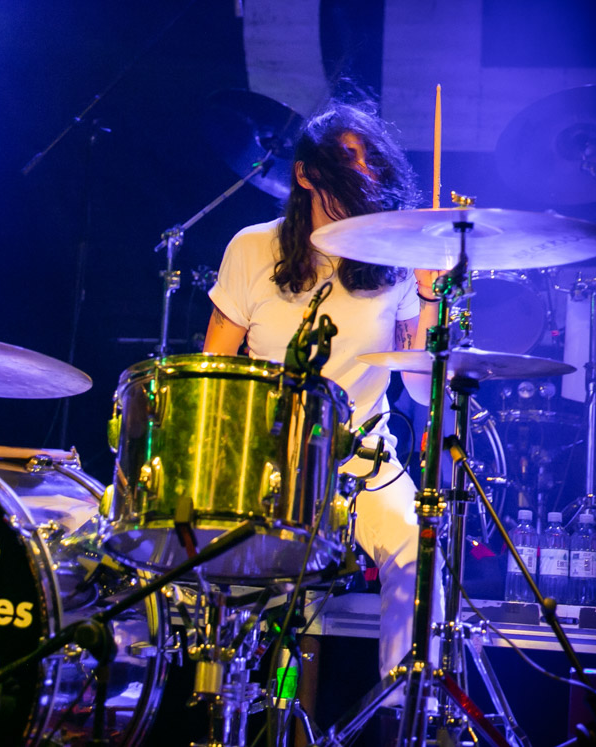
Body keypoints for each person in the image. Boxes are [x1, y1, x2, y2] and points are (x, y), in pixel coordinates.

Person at [203, 99, 444, 703]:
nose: (362, 174)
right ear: (306, 174)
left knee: (419, 551)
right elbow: (215, 371)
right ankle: (228, 706)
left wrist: (428, 295)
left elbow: (420, 388)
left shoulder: (395, 261)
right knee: (246, 589)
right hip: (265, 456)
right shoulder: (252, 248)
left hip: (361, 457)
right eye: (346, 161)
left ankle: (404, 712)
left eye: (370, 161)